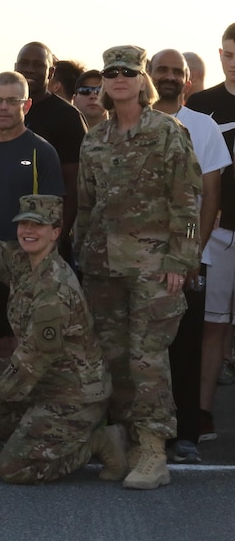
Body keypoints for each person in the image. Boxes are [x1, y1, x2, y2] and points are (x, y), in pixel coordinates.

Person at [75, 45, 202, 490]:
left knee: (148, 360)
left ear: (142, 80)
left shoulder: (168, 132)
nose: (119, 79)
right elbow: (86, 207)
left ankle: (153, 450)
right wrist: (81, 257)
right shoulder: (94, 138)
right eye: (111, 73)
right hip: (103, 269)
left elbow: (187, 203)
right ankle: (127, 445)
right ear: (105, 83)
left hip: (153, 267)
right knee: (115, 360)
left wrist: (181, 260)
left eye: (128, 72)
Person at [0, 194, 123, 484]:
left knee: (13, 470)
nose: (28, 231)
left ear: (55, 232)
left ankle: (97, 443)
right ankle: (18, 446)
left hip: (73, 395)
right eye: (24, 223)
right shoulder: (21, 261)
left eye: (38, 226)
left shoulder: (54, 289)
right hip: (44, 383)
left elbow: (32, 358)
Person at [149, 49, 230, 464]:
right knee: (140, 351)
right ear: (149, 74)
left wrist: (192, 256)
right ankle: (140, 435)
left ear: (188, 80)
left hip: (187, 260)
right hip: (138, 261)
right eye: (161, 70)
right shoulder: (129, 124)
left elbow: (210, 196)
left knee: (184, 347)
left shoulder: (204, 127)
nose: (168, 77)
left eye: (176, 72)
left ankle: (184, 437)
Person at [0, 71, 64, 361]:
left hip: (25, 266)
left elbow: (53, 214)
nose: (4, 108)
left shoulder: (41, 152)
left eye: (12, 101)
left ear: (27, 104)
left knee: (25, 346)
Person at [186, 24, 235, 443]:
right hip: (217, 232)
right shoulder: (201, 105)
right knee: (213, 326)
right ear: (220, 55)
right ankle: (201, 413)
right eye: (230, 55)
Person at [14, 42, 87, 256]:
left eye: (37, 64)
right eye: (24, 63)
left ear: (51, 72)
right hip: (5, 238)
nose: (29, 69)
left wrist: (58, 237)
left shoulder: (68, 117)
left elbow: (73, 187)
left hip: (47, 240)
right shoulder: (4, 112)